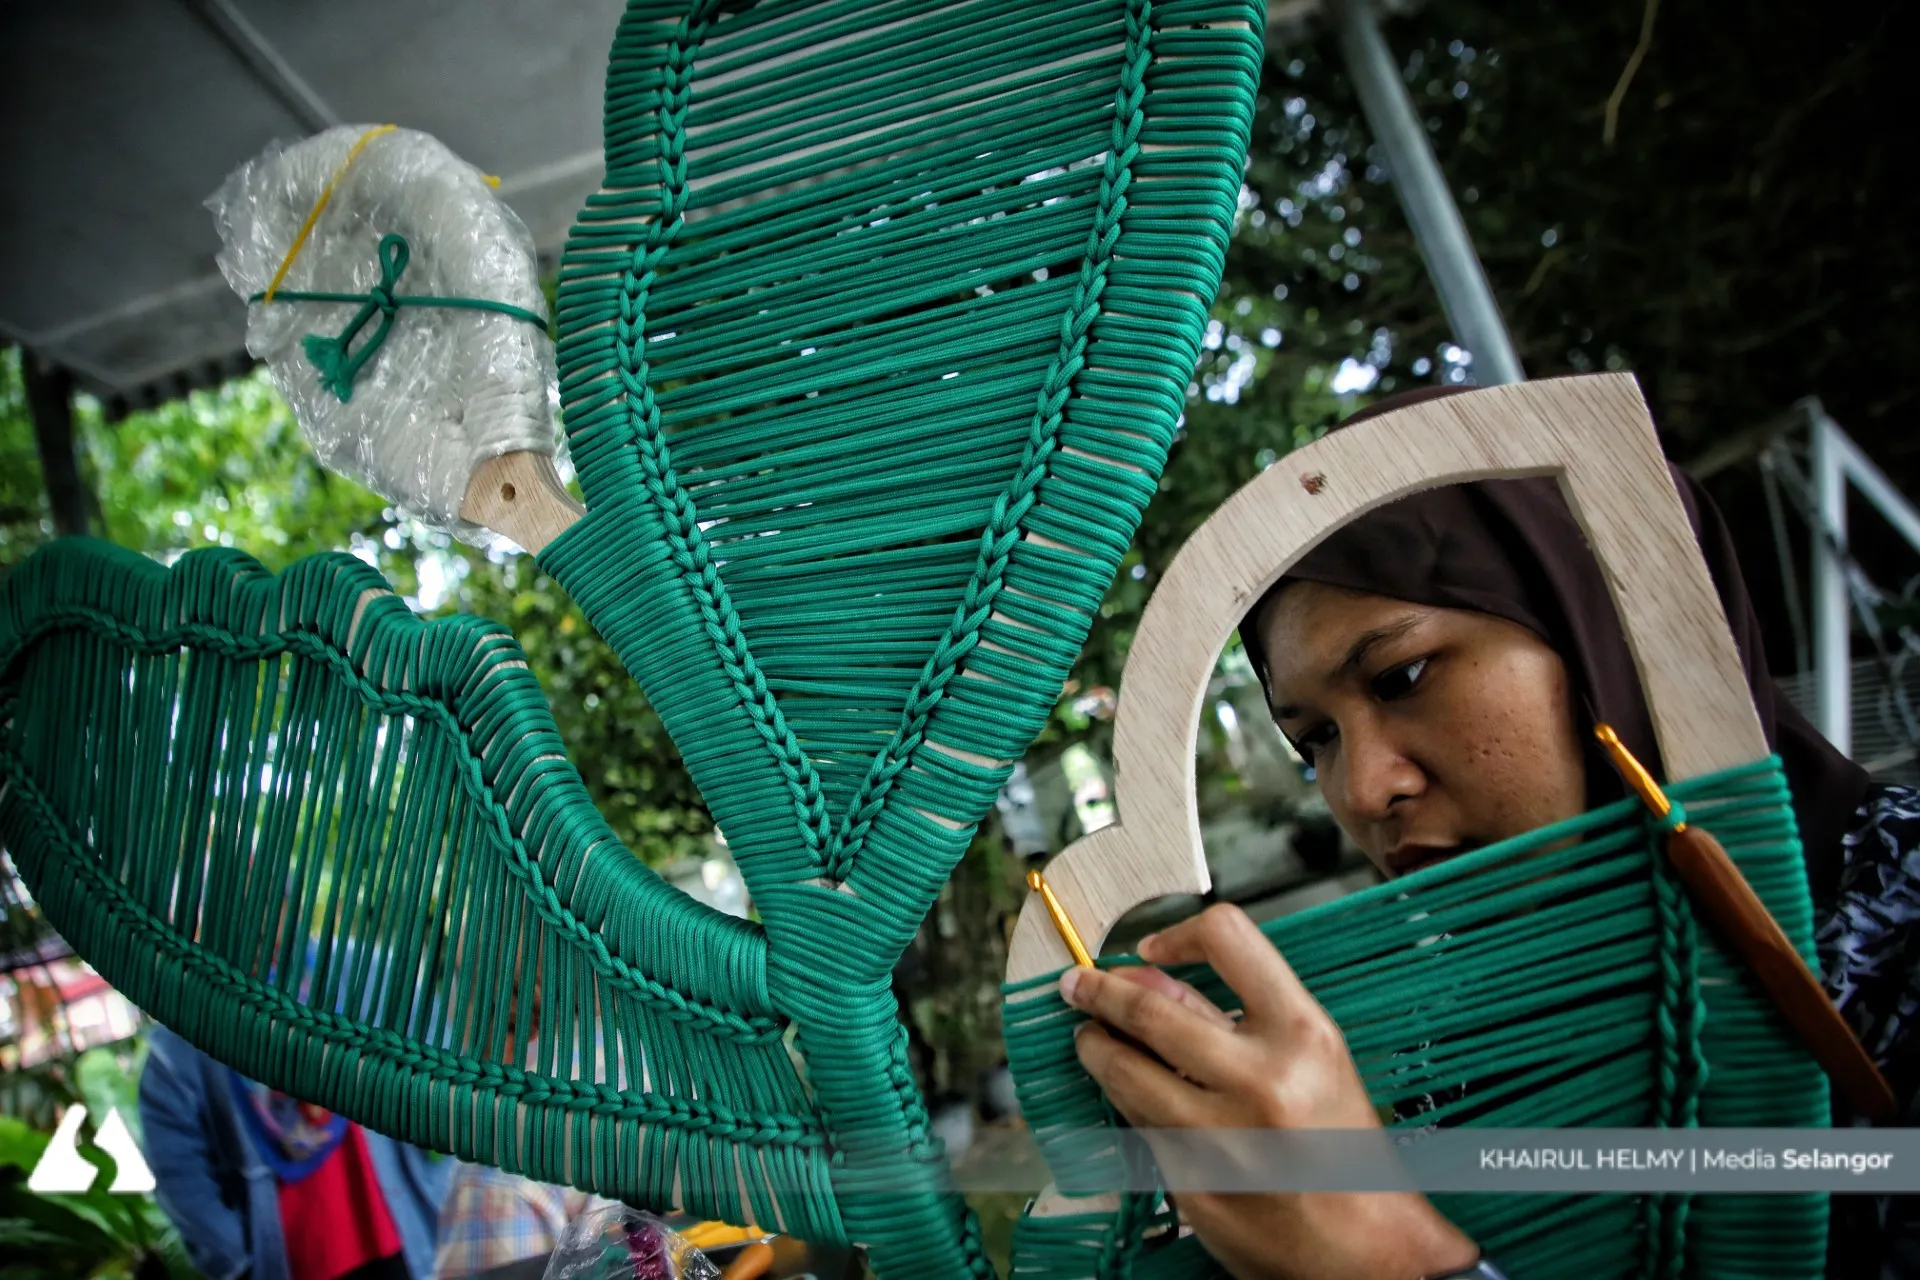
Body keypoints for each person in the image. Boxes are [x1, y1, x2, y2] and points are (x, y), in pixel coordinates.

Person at [1058, 387, 1920, 1279]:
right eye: (1315, 738)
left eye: (1404, 676)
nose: (1362, 788)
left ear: (1610, 637)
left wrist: (1385, 1258)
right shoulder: (1464, 1037)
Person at [140, 1023, 456, 1280]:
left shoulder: (360, 973)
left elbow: (451, 1079)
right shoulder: (179, 1045)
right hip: (288, 1260)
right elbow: (179, 1176)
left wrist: (443, 1189)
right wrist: (236, 1261)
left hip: (406, 1239)